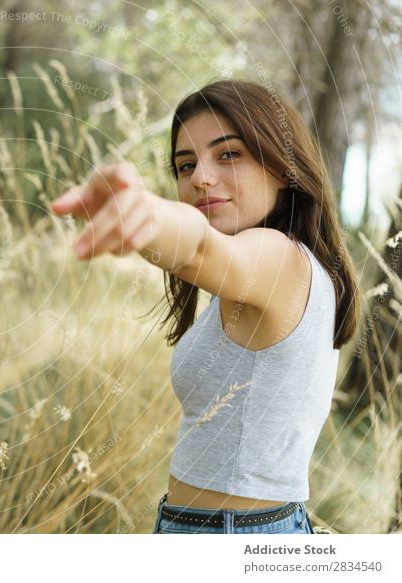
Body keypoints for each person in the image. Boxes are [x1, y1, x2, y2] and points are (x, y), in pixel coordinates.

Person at [49, 78, 360, 534]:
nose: (200, 177)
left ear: (281, 165)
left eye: (229, 154)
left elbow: (199, 249)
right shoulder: (266, 276)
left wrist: (146, 214)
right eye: (185, 164)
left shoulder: (277, 258)